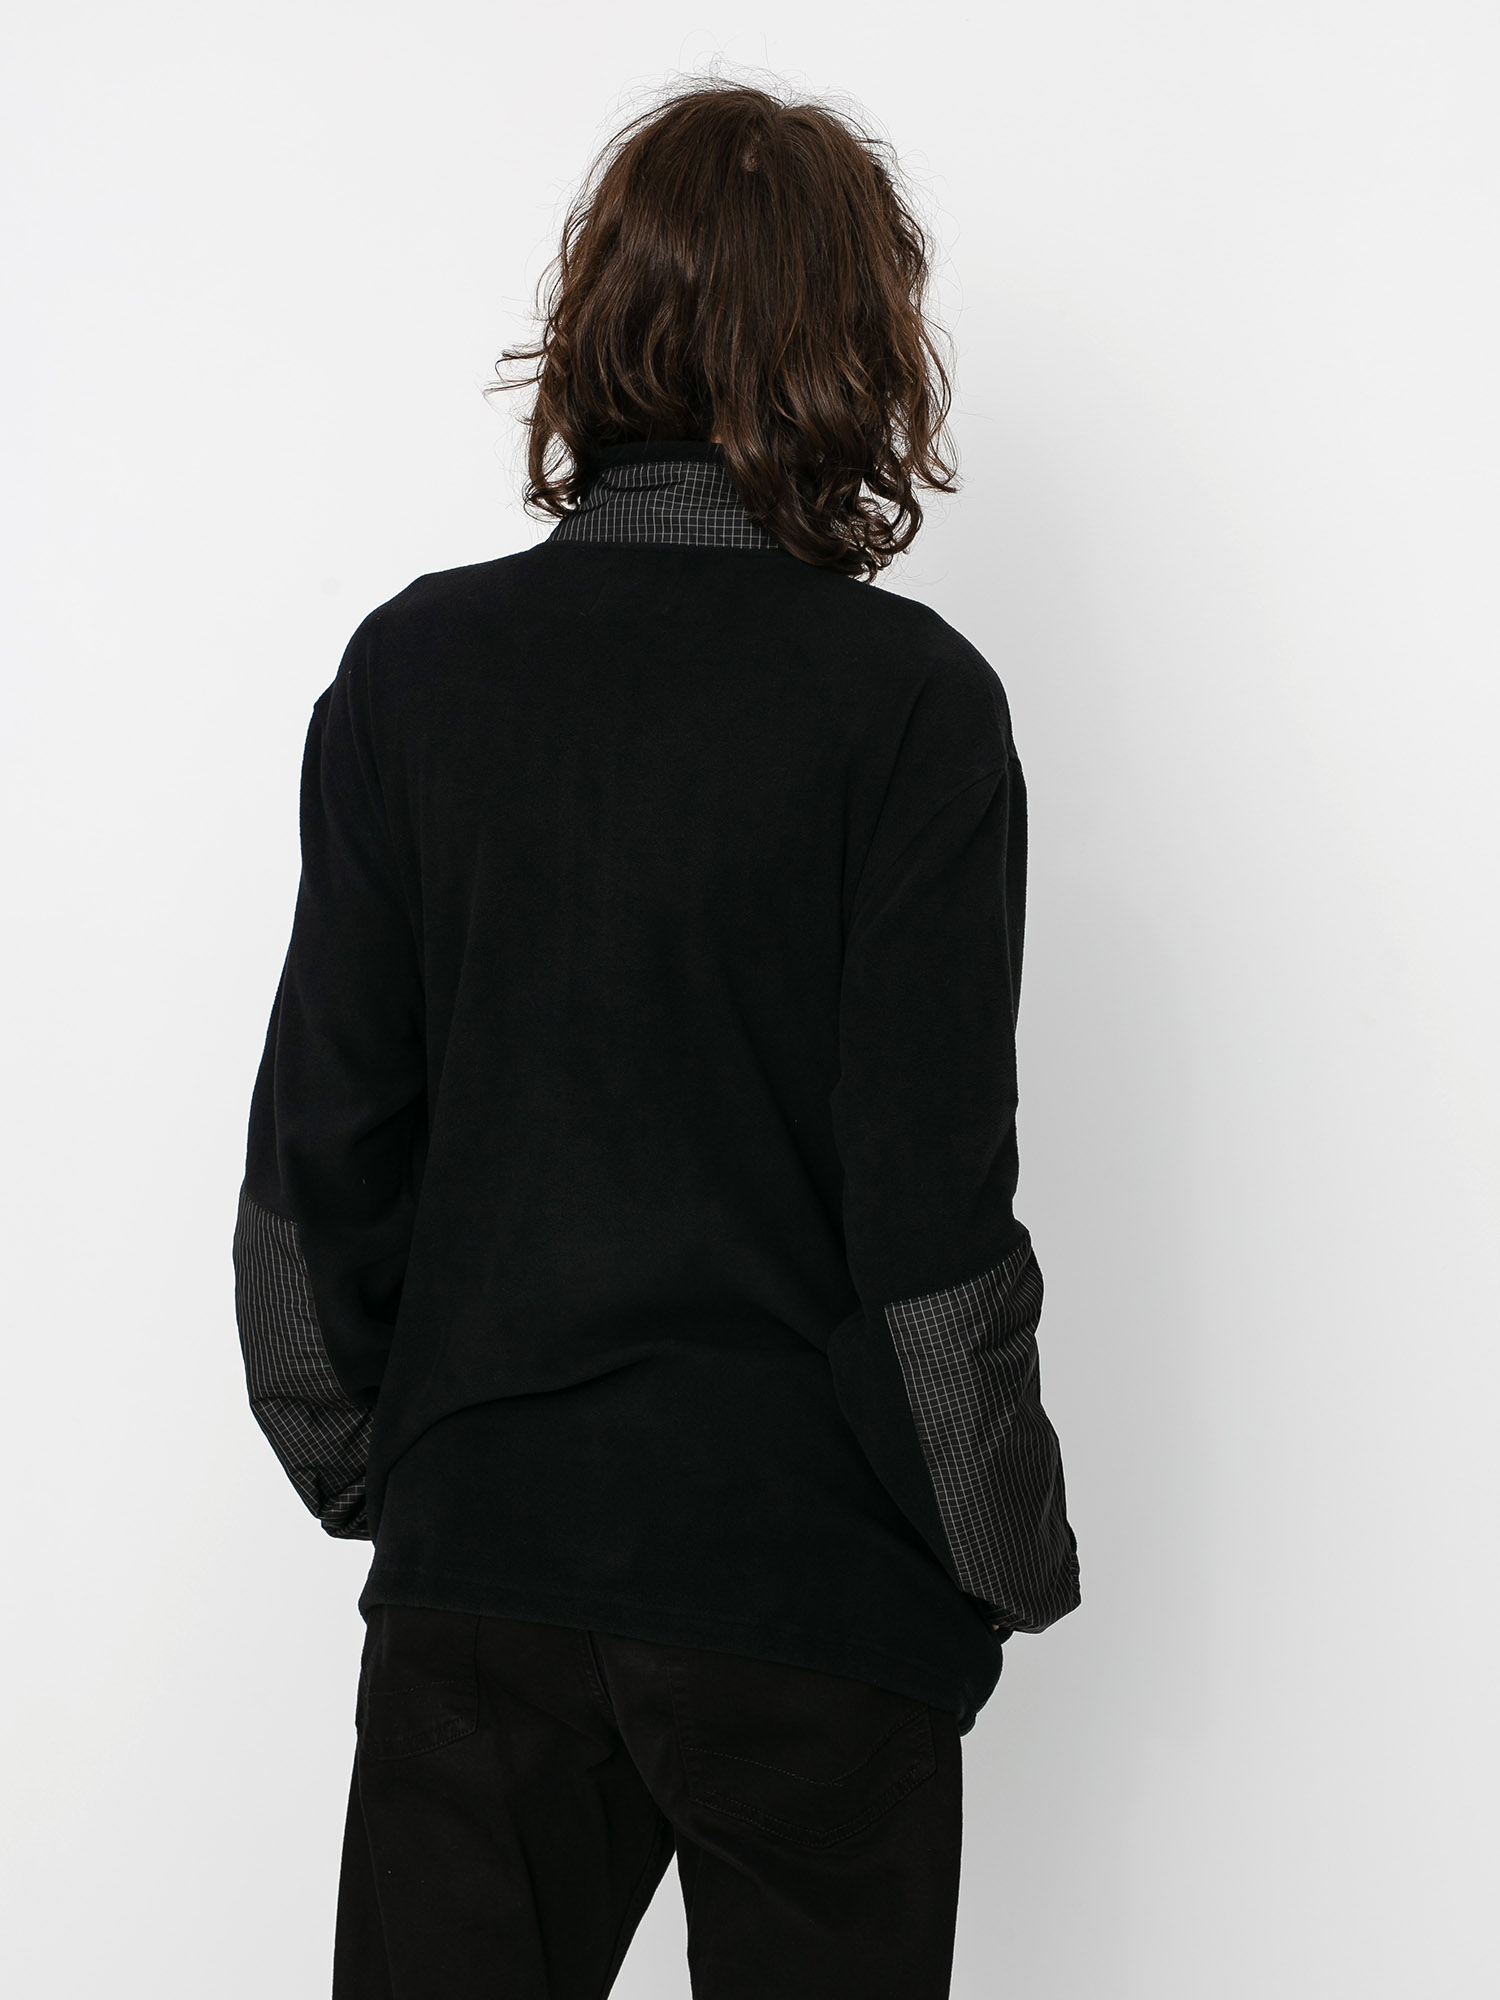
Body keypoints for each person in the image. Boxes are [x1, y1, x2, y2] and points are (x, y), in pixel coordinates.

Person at [232, 77, 1079, 2000]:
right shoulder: (911, 709)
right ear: (860, 344)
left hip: (487, 1572)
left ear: (599, 314)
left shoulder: (413, 673)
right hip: (810, 1591)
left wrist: (410, 1472)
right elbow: (932, 1226)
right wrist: (1006, 1556)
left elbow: (314, 1177)